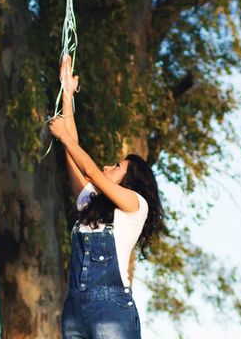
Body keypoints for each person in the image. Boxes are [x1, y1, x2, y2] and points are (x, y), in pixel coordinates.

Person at [48, 55, 164, 339]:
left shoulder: (135, 206)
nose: (108, 167)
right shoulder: (90, 204)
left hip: (111, 309)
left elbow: (88, 169)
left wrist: (64, 136)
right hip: (74, 310)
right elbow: (72, 153)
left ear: (130, 181)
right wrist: (66, 93)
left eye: (117, 167)